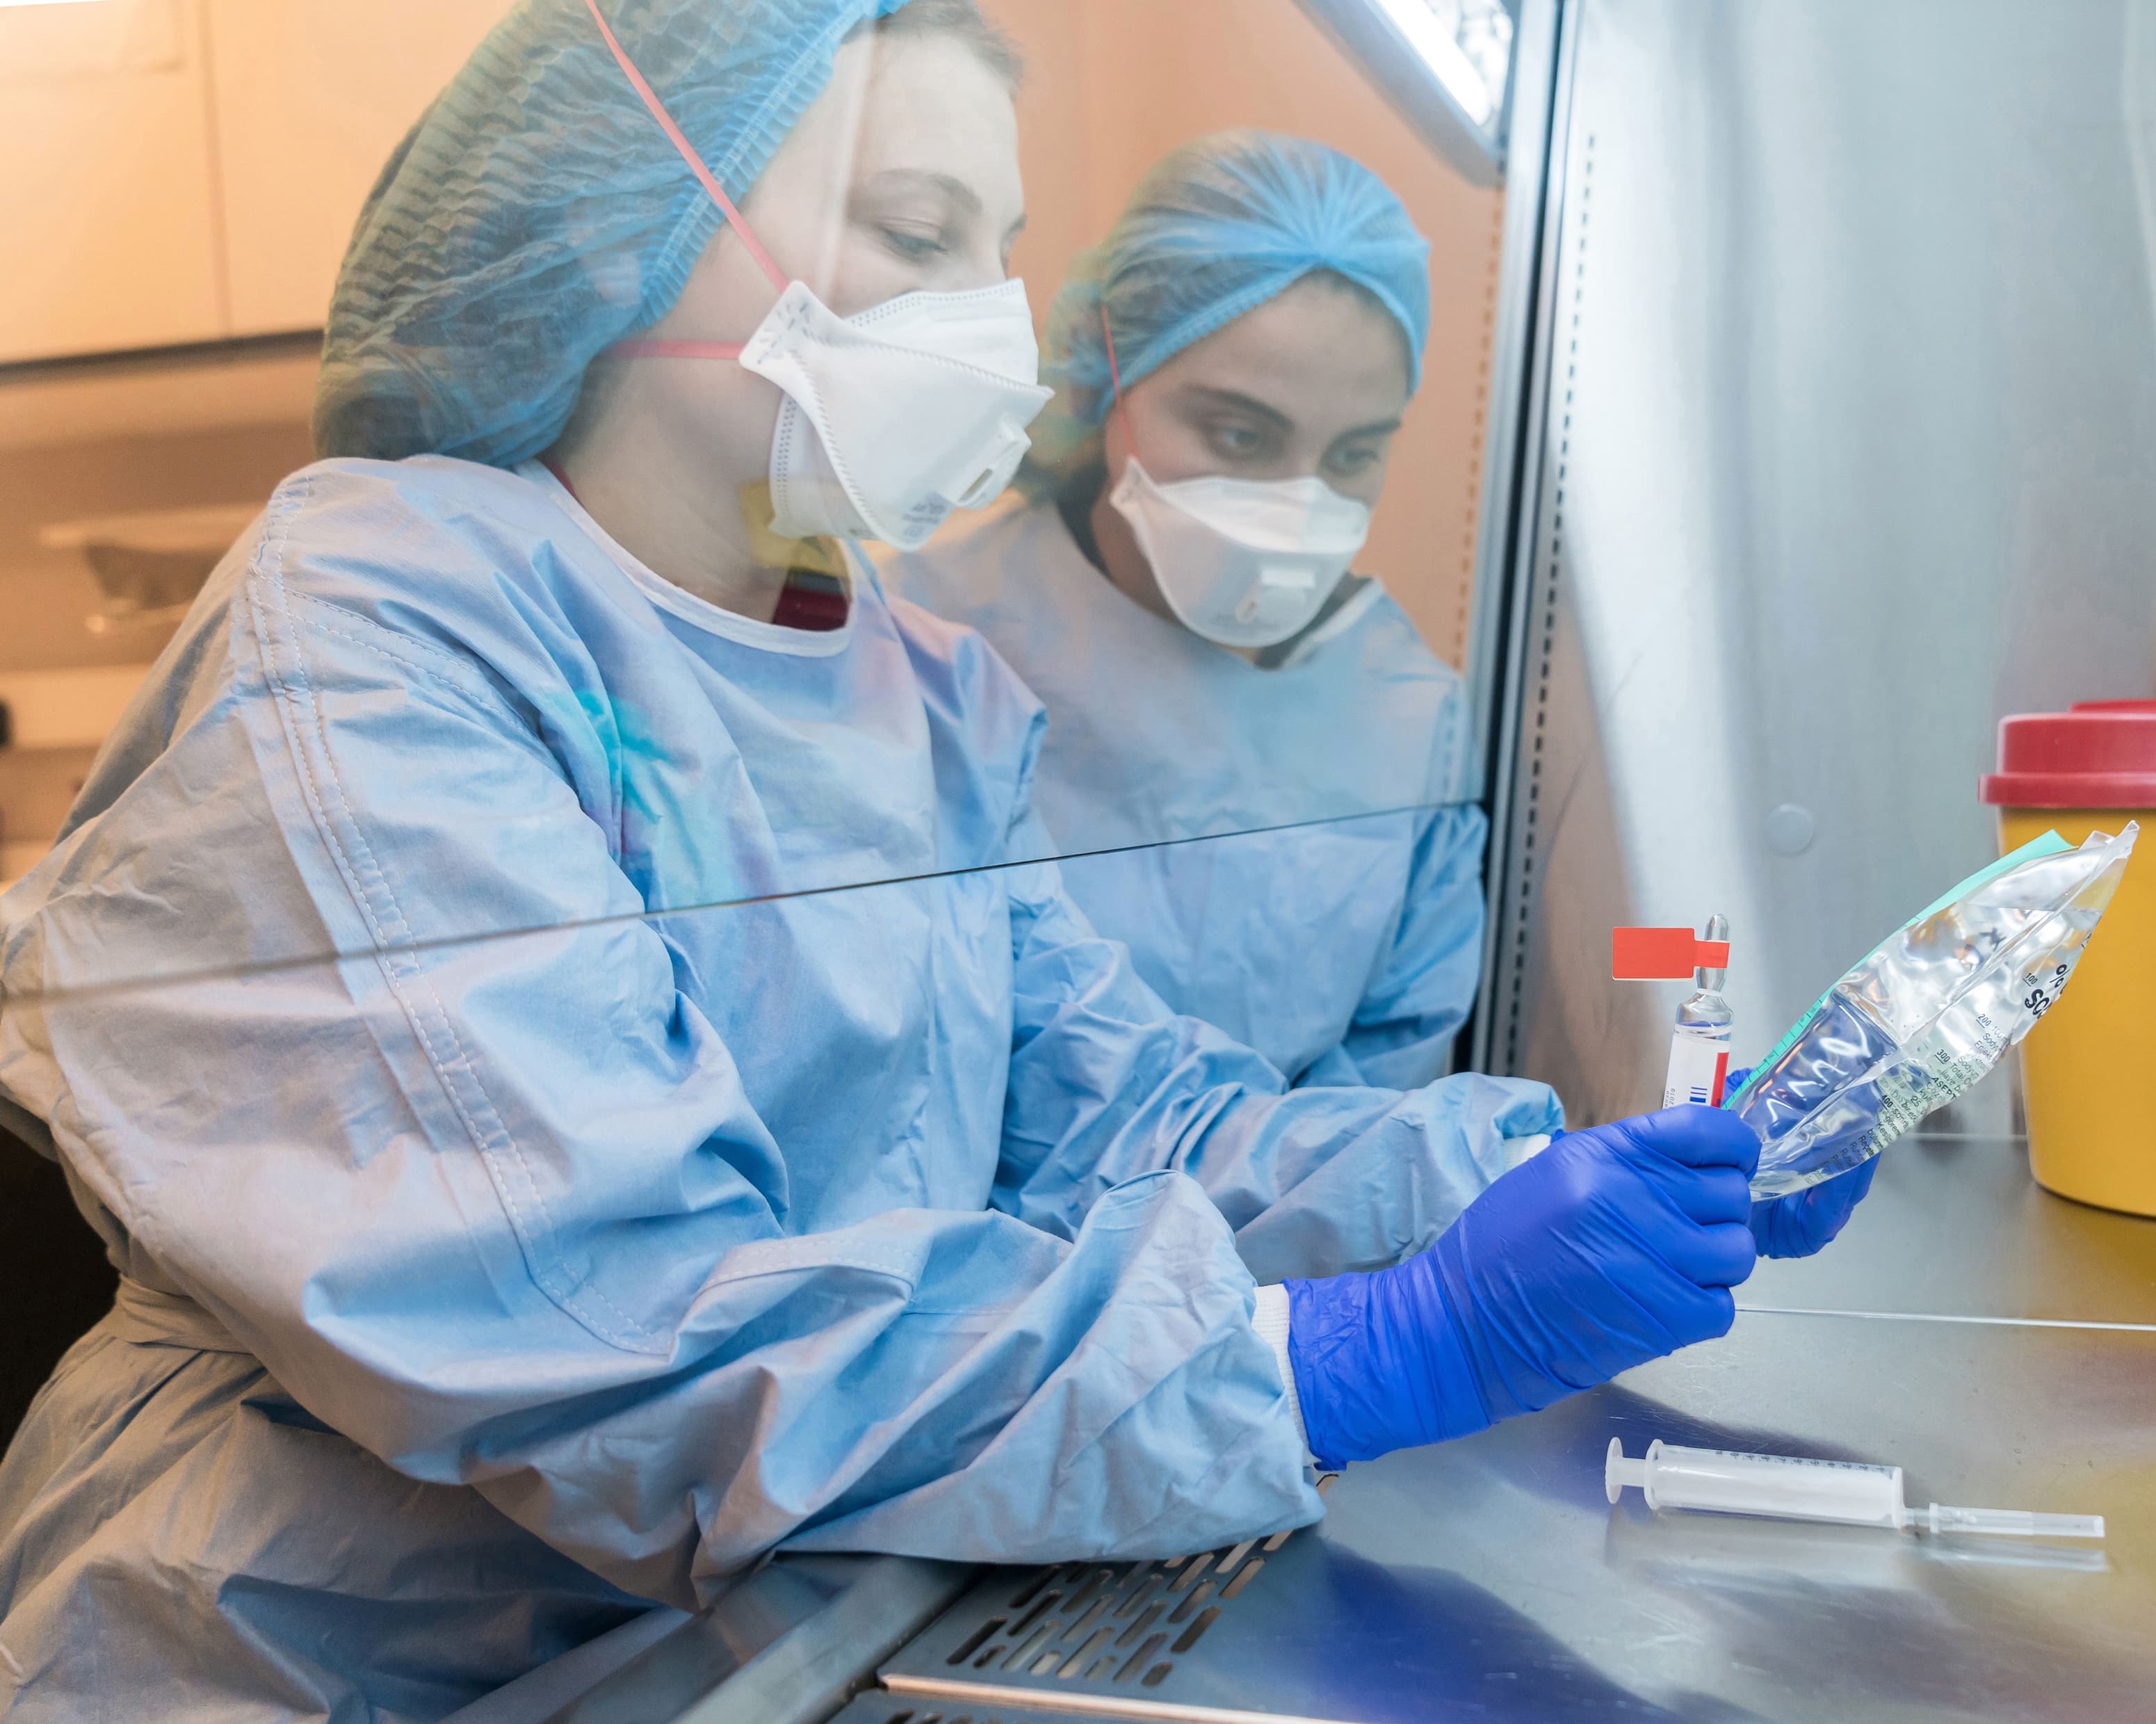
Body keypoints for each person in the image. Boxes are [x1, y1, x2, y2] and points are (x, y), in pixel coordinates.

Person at [0, 3, 1869, 1719]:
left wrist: (1512, 1173)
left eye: (997, 240)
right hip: (318, 1662)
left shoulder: (912, 687)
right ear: (616, 228)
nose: (998, 310)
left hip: (754, 1625)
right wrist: (1355, 1353)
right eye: (912, 229)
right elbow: (626, 1345)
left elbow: (1125, 1124)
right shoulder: (384, 620)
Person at [894, 133, 1481, 1088]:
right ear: (1102, 375)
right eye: (1240, 434)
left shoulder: (1409, 717)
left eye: (1351, 456)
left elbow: (1383, 1109)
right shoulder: (917, 639)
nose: (1296, 507)